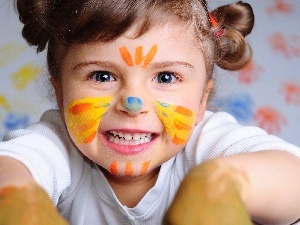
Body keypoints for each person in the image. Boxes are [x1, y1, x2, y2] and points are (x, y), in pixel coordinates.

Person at [1, 0, 300, 224]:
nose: (133, 103)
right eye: (102, 76)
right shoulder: (59, 147)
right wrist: (20, 199)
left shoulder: (205, 144)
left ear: (200, 102)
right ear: (61, 92)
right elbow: (12, 166)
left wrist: (220, 183)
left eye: (165, 77)